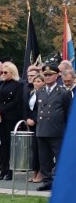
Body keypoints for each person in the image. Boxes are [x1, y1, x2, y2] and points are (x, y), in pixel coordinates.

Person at [34, 63, 71, 191]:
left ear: (57, 76)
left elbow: (67, 113)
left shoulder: (63, 93)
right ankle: (47, 181)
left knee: (61, 158)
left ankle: (64, 181)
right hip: (42, 129)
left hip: (57, 130)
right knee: (44, 158)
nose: (48, 77)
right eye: (45, 75)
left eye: (50, 75)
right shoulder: (40, 92)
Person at [0, 62, 23, 181]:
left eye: (5, 72)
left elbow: (16, 102)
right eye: (2, 72)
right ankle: (3, 169)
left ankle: (10, 170)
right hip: (1, 118)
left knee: (11, 145)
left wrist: (0, 110)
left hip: (11, 117)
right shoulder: (0, 84)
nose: (3, 74)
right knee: (3, 145)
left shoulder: (18, 85)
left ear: (12, 72)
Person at [24, 73, 44, 184]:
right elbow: (27, 108)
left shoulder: (43, 94)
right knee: (34, 149)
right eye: (35, 81)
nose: (36, 83)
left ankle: (41, 172)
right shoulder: (32, 93)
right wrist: (27, 118)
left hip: (39, 123)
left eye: (39, 81)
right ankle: (35, 171)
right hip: (31, 123)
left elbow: (41, 109)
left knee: (40, 148)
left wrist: (35, 120)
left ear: (43, 83)